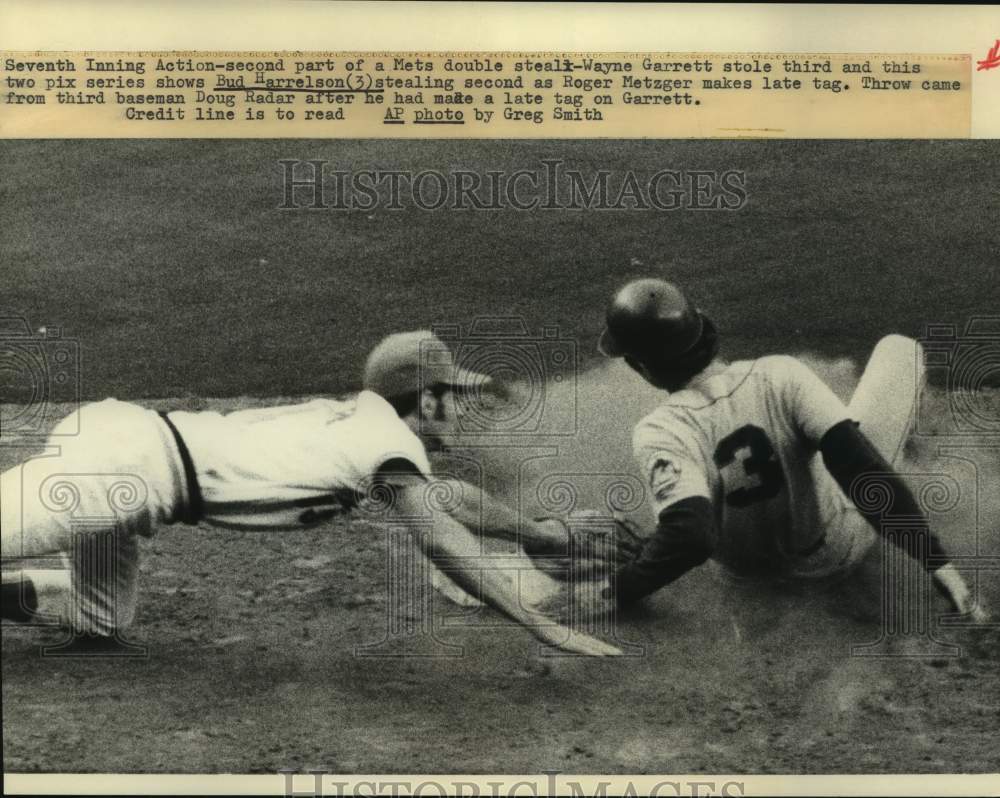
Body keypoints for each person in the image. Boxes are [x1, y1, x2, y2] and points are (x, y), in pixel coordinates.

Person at [0, 329, 621, 656]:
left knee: (99, 622)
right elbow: (444, 541)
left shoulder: (370, 429)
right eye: (454, 397)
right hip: (118, 472)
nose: (461, 412)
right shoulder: (385, 444)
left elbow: (450, 500)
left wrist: (545, 534)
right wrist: (534, 622)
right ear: (427, 398)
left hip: (132, 456)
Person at [594, 277, 987, 623]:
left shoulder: (659, 430)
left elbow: (689, 535)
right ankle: (905, 438)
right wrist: (938, 563)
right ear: (703, 330)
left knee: (686, 505)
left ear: (639, 367)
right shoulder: (780, 374)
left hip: (745, 584)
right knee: (899, 350)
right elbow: (860, 470)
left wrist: (618, 589)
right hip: (832, 555)